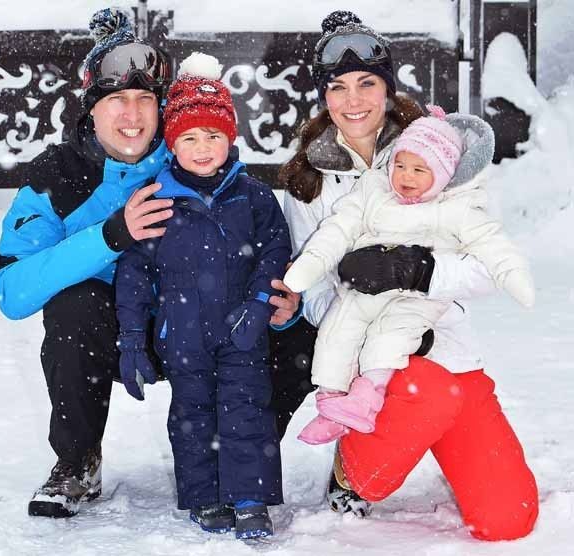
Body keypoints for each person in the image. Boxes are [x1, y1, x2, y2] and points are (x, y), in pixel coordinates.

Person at [0, 9, 299, 519]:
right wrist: (112, 235)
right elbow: (10, 292)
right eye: (116, 100)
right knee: (74, 307)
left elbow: (263, 238)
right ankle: (77, 459)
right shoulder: (57, 176)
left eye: (144, 100)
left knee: (294, 323)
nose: (131, 115)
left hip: (214, 320)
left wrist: (282, 298)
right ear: (91, 107)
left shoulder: (194, 153)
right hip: (125, 330)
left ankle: (240, 449)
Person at [276, 9, 533, 521]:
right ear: (323, 97)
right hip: (365, 354)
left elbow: (488, 264)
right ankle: (354, 467)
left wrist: (420, 272)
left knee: (508, 516)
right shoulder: (311, 181)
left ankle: (429, 434)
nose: (354, 101)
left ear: (388, 87)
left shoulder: (439, 152)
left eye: (367, 83)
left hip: (448, 343)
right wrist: (365, 316)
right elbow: (315, 287)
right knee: (425, 393)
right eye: (339, 87)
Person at [283, 105, 534, 445]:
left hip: (422, 311)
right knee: (337, 332)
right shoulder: (371, 191)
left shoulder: (456, 206)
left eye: (419, 169)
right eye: (400, 165)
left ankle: (364, 399)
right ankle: (331, 404)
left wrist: (420, 271)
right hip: (361, 293)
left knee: (388, 341)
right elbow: (336, 231)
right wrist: (315, 267)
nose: (406, 176)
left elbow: (492, 255)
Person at [115, 52, 290, 539]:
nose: (202, 147)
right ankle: (206, 495)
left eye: (213, 135)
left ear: (229, 137)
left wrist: (259, 303)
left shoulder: (253, 196)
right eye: (189, 137)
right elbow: (133, 270)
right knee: (192, 415)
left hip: (241, 328)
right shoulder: (156, 198)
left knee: (246, 409)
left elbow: (276, 251)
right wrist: (133, 336)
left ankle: (251, 498)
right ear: (172, 143)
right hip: (183, 334)